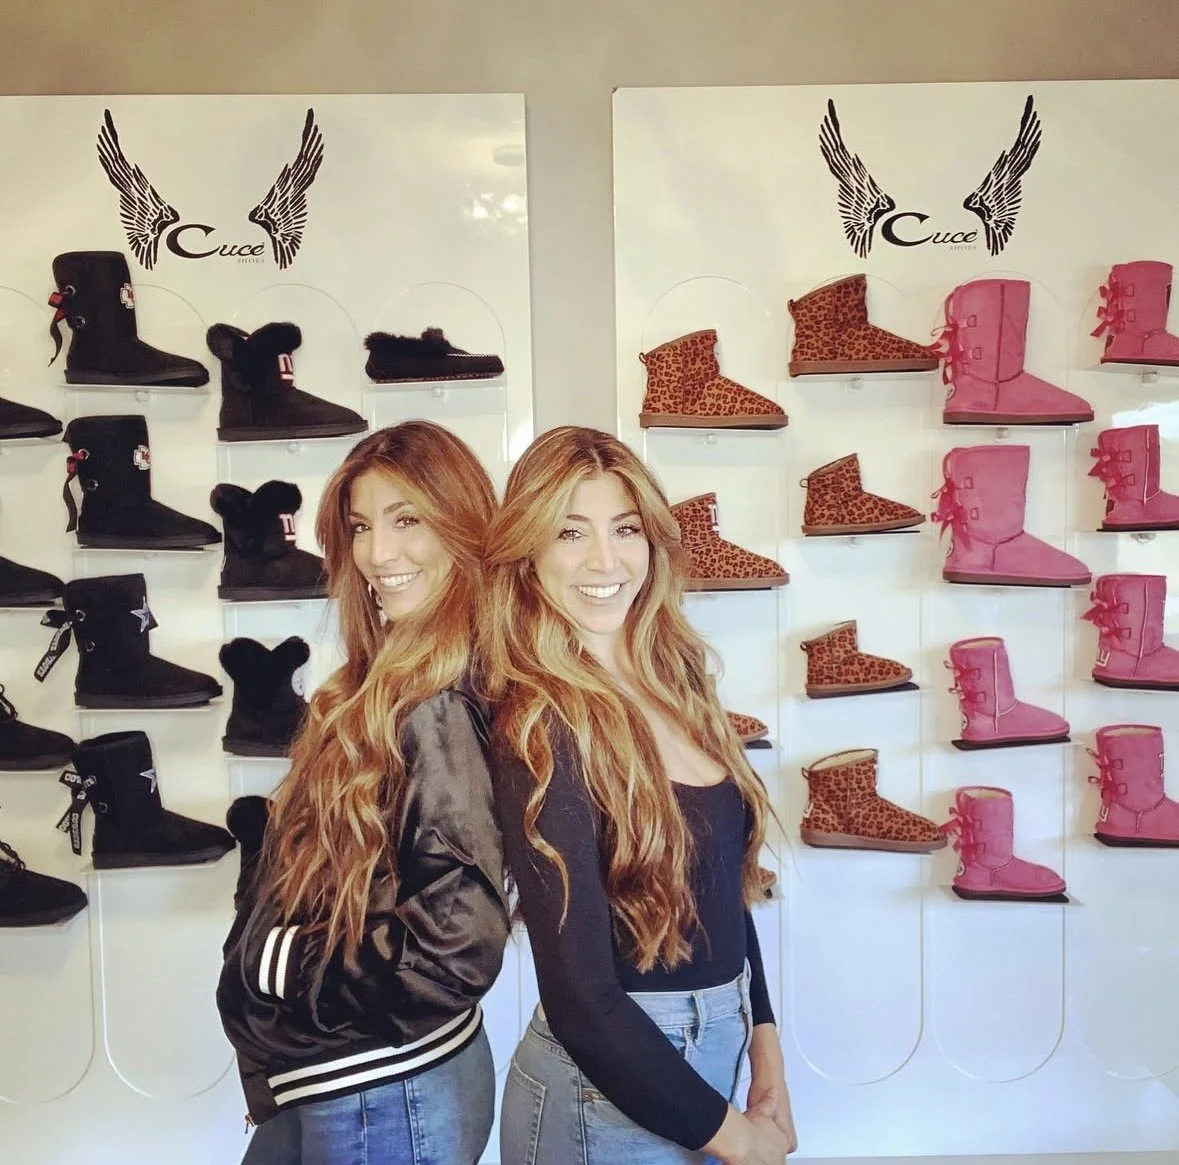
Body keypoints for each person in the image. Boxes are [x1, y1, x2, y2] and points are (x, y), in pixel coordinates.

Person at [481, 426, 797, 1164]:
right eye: (570, 532)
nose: (605, 560)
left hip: (708, 1064)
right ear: (527, 552)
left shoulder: (675, 679)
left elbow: (722, 885)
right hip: (601, 1095)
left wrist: (766, 1051)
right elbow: (583, 1001)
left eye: (625, 529)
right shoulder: (539, 724)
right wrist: (739, 1140)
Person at [216, 420, 511, 1165]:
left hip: (383, 1091)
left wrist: (278, 970)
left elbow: (455, 946)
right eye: (360, 526)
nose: (378, 554)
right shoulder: (387, 681)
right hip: (355, 1081)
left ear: (462, 526)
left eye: (407, 520)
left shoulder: (437, 704)